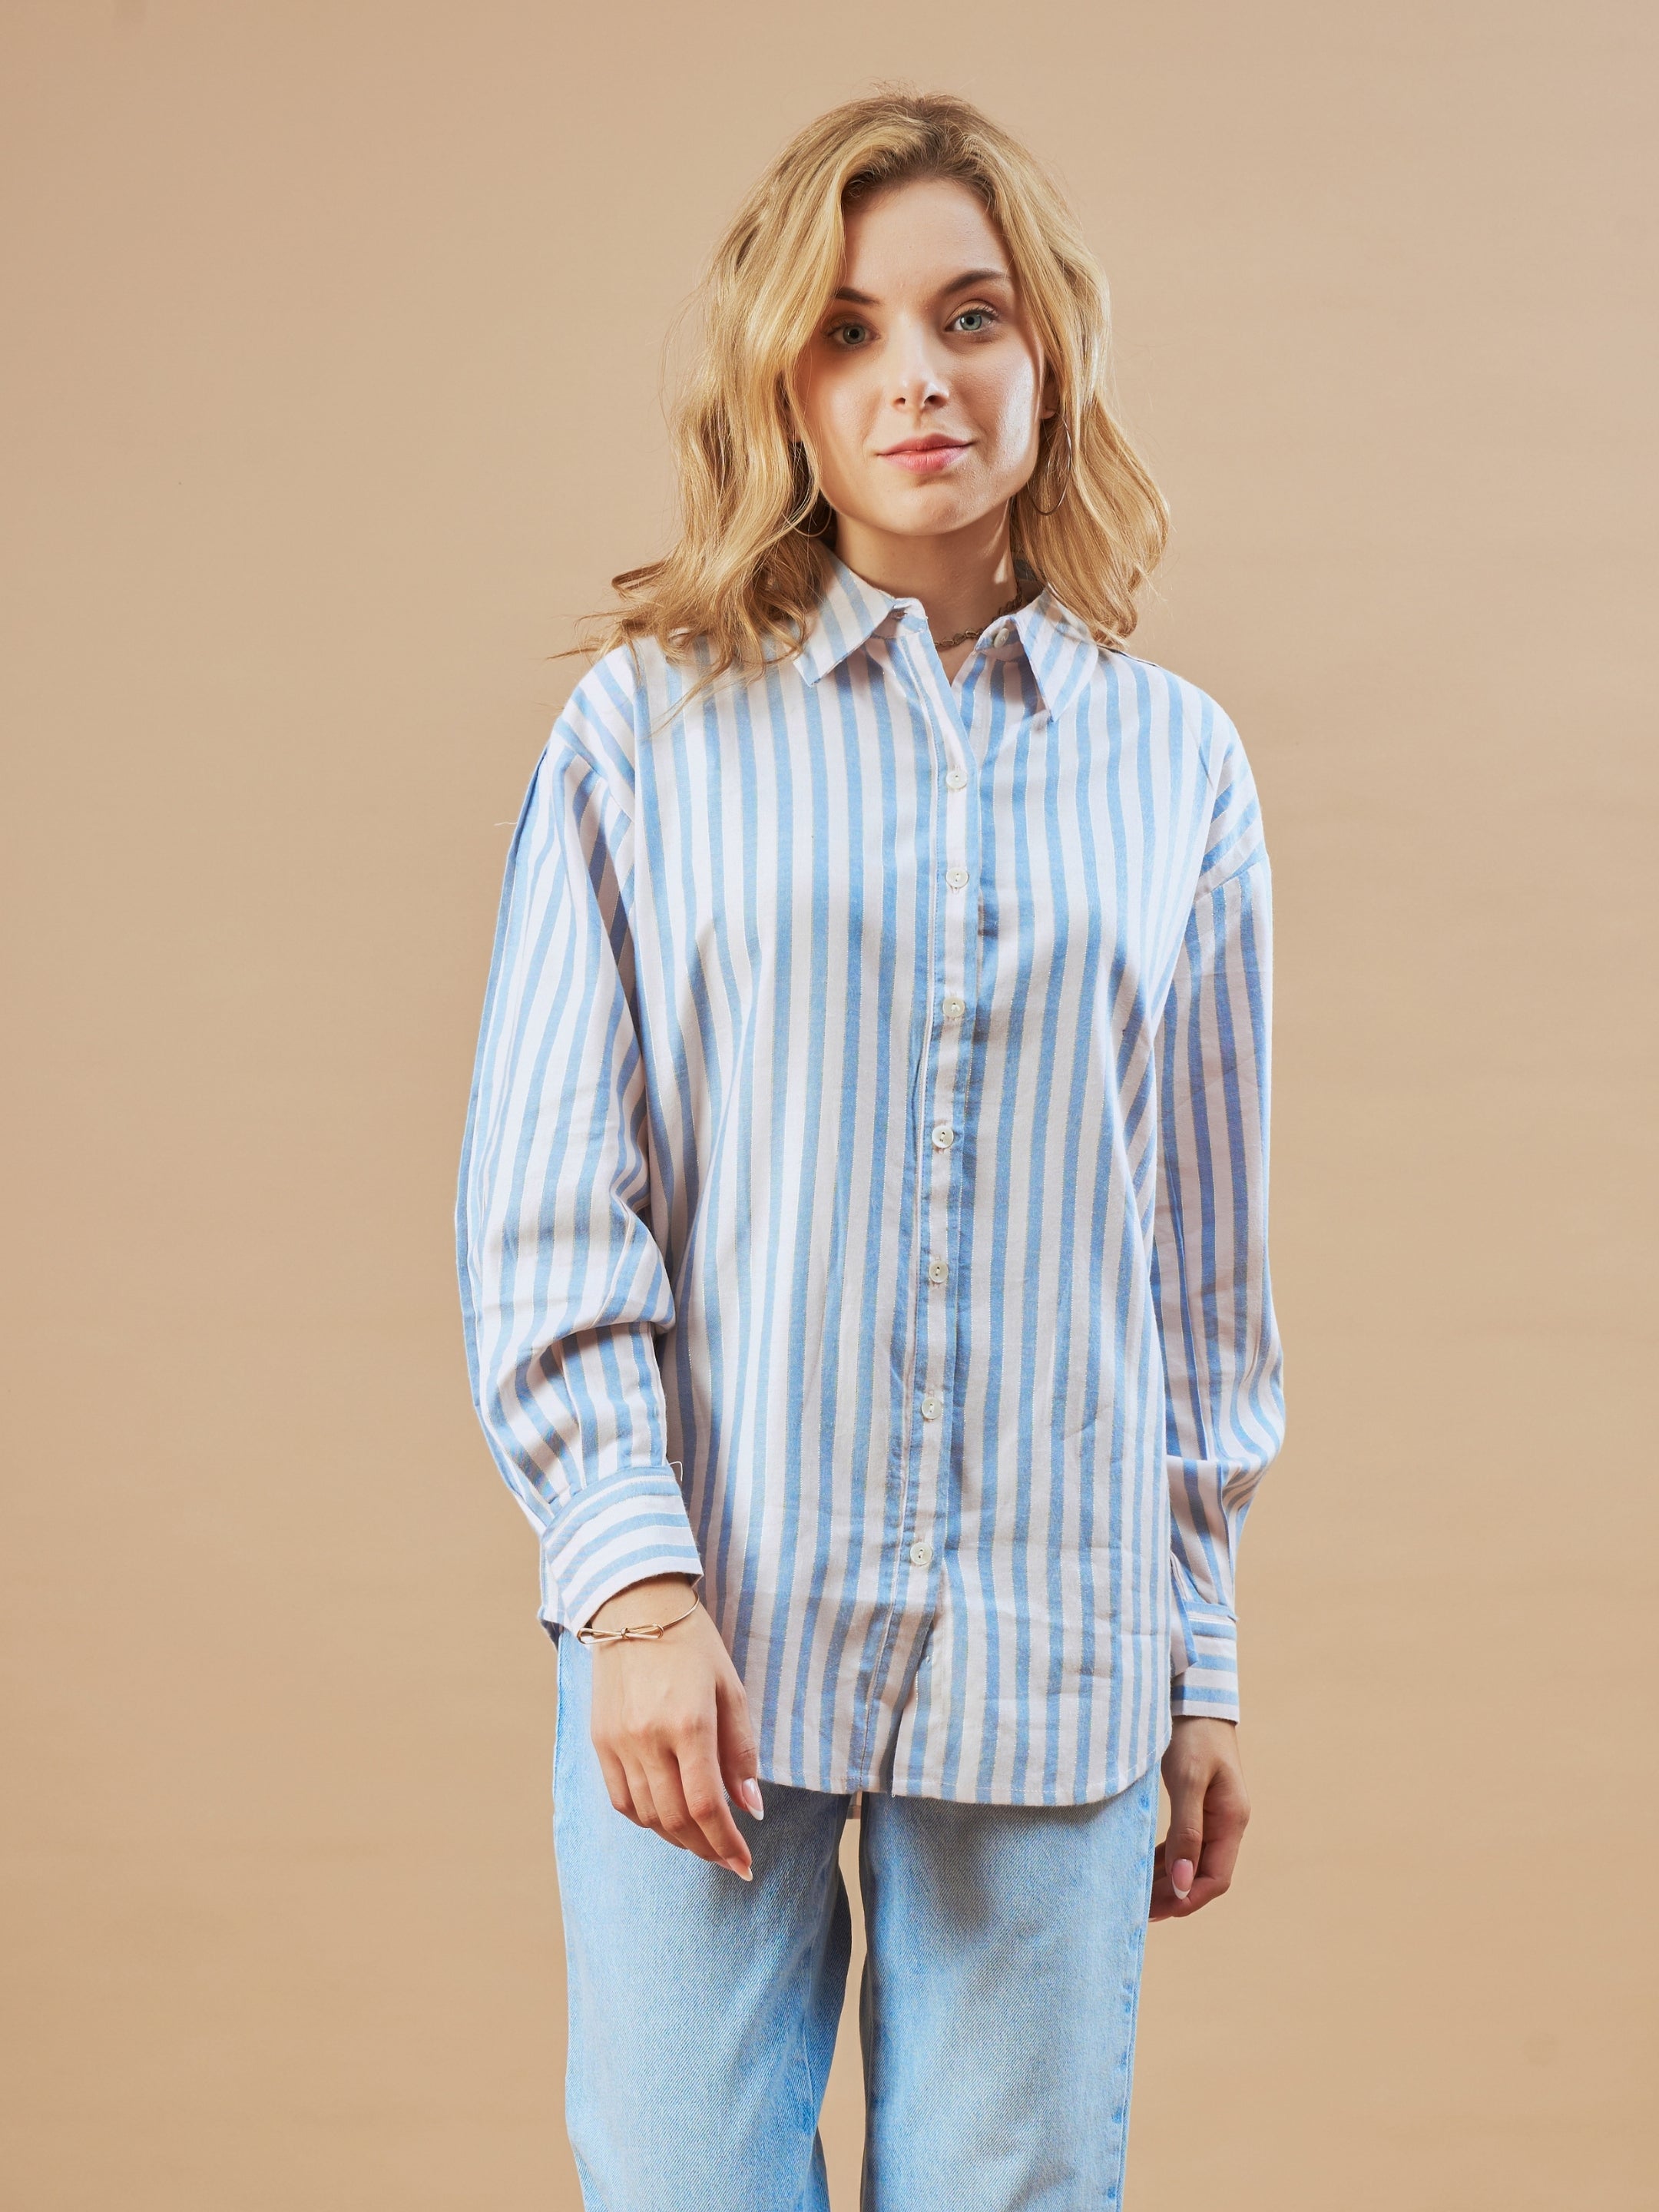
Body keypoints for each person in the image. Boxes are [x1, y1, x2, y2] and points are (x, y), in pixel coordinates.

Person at [456, 88, 1285, 2212]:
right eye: (849, 329)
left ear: (1048, 354)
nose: (917, 373)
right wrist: (631, 1590)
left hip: (1059, 1645)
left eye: (967, 315)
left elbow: (1196, 1277)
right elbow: (551, 1200)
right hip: (715, 1639)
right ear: (785, 386)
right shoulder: (649, 728)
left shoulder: (1178, 772)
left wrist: (1197, 1655)